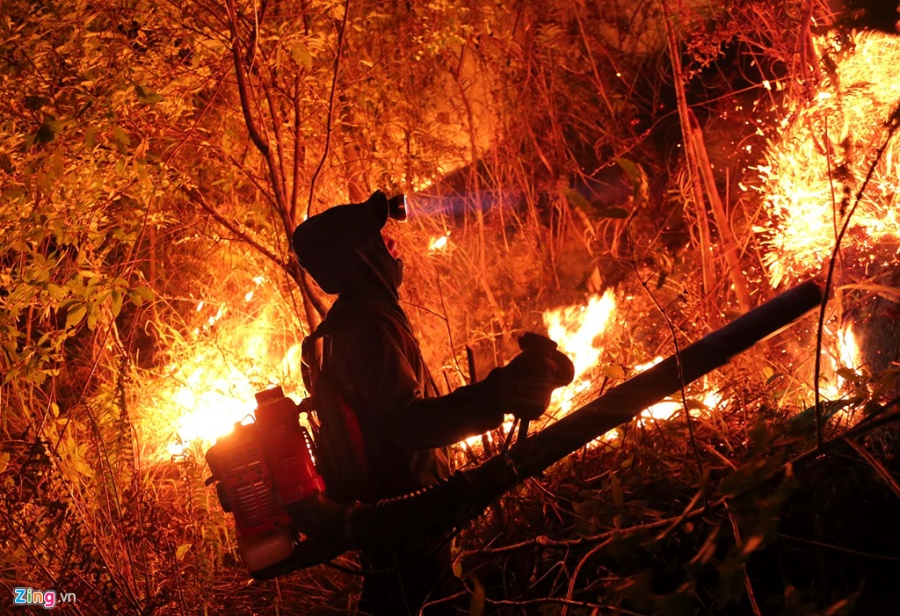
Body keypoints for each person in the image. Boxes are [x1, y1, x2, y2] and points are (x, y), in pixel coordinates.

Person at [291, 191, 572, 615]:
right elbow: (410, 424)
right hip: (407, 515)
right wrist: (503, 392)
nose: (392, 243)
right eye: (378, 237)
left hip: (389, 516)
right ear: (359, 255)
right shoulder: (366, 329)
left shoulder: (341, 328)